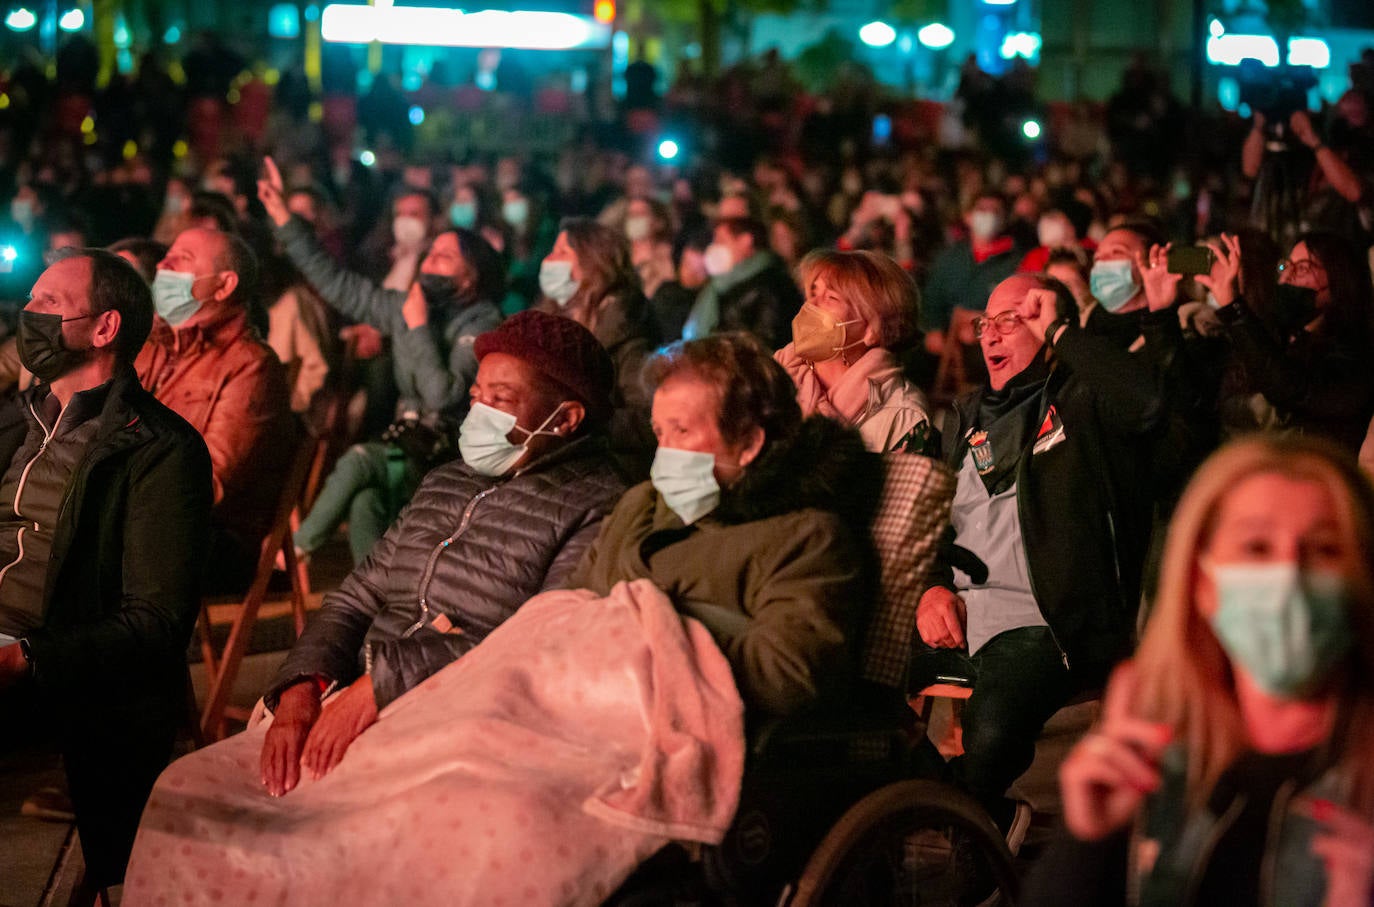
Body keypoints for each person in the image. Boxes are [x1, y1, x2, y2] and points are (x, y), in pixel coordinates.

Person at [258, 310, 628, 796]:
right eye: (477, 396)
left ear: (567, 418)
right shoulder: (447, 481)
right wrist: (301, 687)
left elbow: (536, 642)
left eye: (501, 399)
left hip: (453, 720)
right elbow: (355, 599)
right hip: (344, 693)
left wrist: (381, 685)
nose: (480, 411)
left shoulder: (599, 506)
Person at [1024, 436, 1374, 906]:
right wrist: (1086, 844)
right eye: (1256, 547)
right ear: (1201, 582)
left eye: (1325, 549)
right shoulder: (1152, 762)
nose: (1289, 576)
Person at [912, 273, 1163, 835]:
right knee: (853, 699)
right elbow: (929, 523)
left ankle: (972, 830)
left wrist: (1061, 330)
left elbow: (1146, 403)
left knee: (991, 734)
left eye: (1013, 320)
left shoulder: (1082, 402)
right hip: (957, 611)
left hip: (1044, 621)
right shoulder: (966, 413)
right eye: (986, 323)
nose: (991, 335)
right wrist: (932, 586)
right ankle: (972, 815)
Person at [0, 250, 212, 887]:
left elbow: (155, 620)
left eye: (50, 304)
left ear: (104, 329)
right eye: (30, 300)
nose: (28, 314)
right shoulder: (17, 421)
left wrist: (28, 660)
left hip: (44, 656)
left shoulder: (158, 448)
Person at [566, 332, 883, 715]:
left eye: (681, 431)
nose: (665, 453)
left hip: (673, 727)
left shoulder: (807, 538)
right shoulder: (640, 504)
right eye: (659, 433)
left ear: (748, 444)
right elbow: (569, 602)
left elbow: (786, 677)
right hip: (575, 701)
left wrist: (644, 640)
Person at [258, 156, 506, 563]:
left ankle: (295, 548)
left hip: (448, 457)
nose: (430, 262)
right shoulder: (409, 306)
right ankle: (369, 605)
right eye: (431, 254)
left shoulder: (483, 323)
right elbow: (340, 286)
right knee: (365, 503)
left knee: (358, 463)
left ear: (470, 276)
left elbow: (443, 396)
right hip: (404, 446)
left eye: (445, 257)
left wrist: (419, 329)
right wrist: (287, 220)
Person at [137, 226, 294, 592]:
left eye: (183, 259)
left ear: (223, 286)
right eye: (169, 254)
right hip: (142, 516)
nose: (164, 263)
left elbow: (209, 479)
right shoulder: (151, 346)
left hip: (210, 536)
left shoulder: (250, 364)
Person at [1203, 230, 1374, 453]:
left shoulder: (1355, 354)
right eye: (1286, 266)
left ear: (1340, 277)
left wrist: (1234, 309)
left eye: (1302, 268)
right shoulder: (1280, 335)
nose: (1288, 276)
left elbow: (1290, 388)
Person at [774, 249, 932, 453]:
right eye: (813, 293)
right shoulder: (776, 376)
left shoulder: (903, 415)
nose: (811, 305)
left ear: (872, 330)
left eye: (831, 298)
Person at [536, 217, 655, 476]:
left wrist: (583, 423)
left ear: (594, 262)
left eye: (562, 253)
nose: (548, 260)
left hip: (609, 470)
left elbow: (648, 420)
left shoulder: (627, 334)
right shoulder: (552, 322)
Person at [920, 191, 1021, 355]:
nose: (988, 216)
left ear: (1004, 220)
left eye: (995, 211)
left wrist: (981, 320)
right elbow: (933, 297)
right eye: (982, 210)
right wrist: (934, 328)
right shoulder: (951, 257)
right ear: (968, 216)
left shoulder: (1014, 262)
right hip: (951, 341)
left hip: (992, 341)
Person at [681, 216, 802, 351]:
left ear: (746, 241)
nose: (713, 248)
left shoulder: (771, 285)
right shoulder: (719, 287)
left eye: (721, 240)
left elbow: (767, 344)